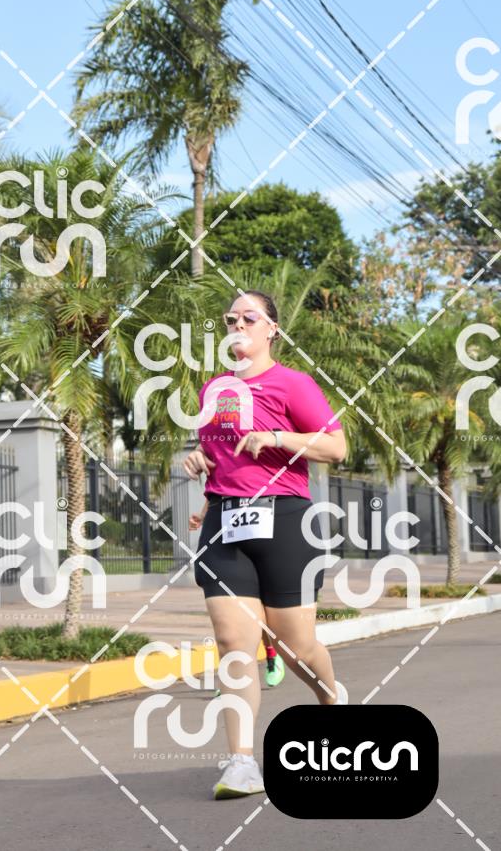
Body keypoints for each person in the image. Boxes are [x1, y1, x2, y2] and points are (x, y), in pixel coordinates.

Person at [183, 289, 348, 801]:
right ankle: (241, 763)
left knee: (297, 648)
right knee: (234, 643)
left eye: (248, 318)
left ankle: (332, 703)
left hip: (284, 520)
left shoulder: (292, 383)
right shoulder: (215, 389)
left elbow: (336, 447)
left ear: (272, 329)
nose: (237, 325)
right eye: (230, 319)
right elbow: (221, 458)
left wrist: (277, 437)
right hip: (225, 523)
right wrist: (200, 465)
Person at [190, 503, 286, 690]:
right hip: (232, 539)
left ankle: (271, 654)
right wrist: (203, 515)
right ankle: (232, 675)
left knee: (261, 609)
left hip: (266, 534)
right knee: (229, 616)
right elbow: (217, 490)